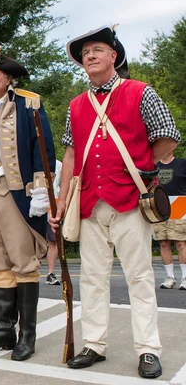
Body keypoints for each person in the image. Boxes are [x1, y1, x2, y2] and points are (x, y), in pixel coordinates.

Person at [50, 25, 180, 379]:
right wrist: (62, 201)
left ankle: (148, 349)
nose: (89, 56)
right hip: (90, 201)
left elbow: (169, 136)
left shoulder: (141, 92)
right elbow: (72, 154)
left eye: (96, 50)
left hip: (130, 199)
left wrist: (138, 167)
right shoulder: (77, 104)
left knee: (139, 277)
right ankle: (94, 344)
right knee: (92, 278)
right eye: (84, 53)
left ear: (113, 56)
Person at [0, 48, 56, 361]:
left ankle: (27, 336)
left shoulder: (27, 104)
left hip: (15, 191)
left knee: (23, 263)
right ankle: (3, 330)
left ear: (8, 79)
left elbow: (42, 147)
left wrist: (43, 190)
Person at [153, 150, 186, 290]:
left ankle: (185, 278)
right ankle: (170, 277)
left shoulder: (182, 164)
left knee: (180, 243)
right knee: (164, 243)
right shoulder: (154, 166)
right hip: (160, 206)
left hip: (180, 205)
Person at [45, 159, 63, 286]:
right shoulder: (31, 160)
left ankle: (50, 273)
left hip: (53, 203)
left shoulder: (58, 165)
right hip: (36, 201)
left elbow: (61, 186)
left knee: (53, 240)